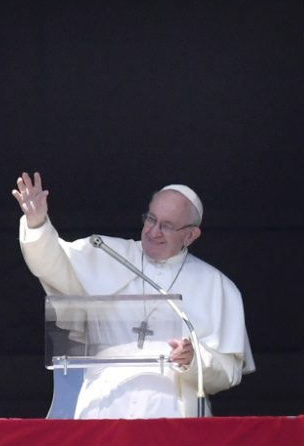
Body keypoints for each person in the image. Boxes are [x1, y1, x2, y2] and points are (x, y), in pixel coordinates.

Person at [13, 171, 254, 418]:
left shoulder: (215, 285)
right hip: (102, 406)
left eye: (167, 226)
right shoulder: (106, 253)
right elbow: (53, 264)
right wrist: (37, 223)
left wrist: (193, 359)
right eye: (151, 219)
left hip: (173, 411)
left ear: (190, 235)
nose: (153, 231)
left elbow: (229, 371)